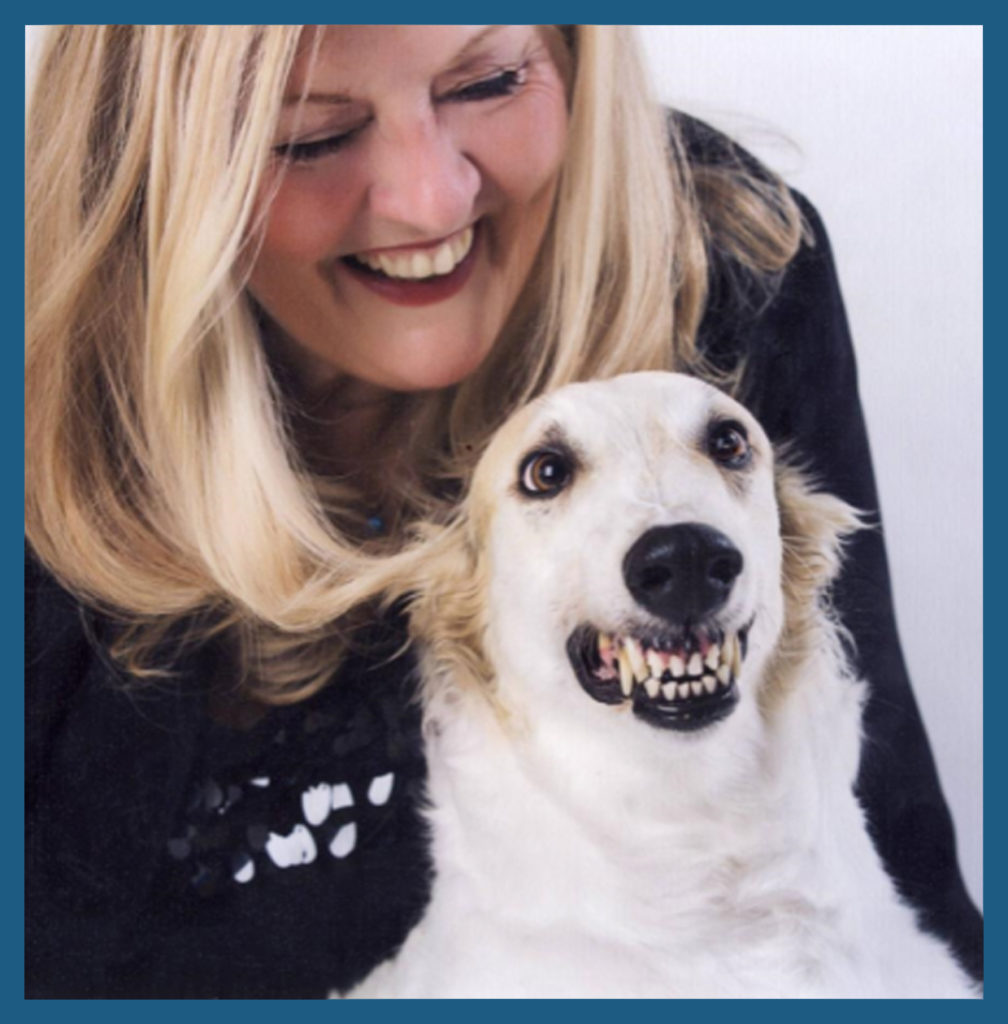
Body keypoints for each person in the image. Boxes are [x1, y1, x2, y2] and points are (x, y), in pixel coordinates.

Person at [25, 25, 982, 998]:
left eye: (489, 80)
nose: (432, 198)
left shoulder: (726, 256)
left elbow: (880, 878)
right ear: (144, 169)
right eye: (310, 138)